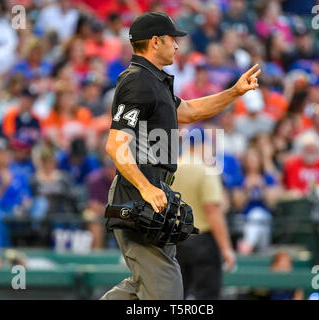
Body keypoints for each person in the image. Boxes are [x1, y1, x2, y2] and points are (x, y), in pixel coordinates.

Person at [101, 12, 260, 300]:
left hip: (151, 191)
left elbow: (191, 111)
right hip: (138, 193)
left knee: (142, 291)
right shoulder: (137, 81)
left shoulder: (152, 79)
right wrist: (146, 188)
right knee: (166, 294)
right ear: (154, 41)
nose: (177, 45)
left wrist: (234, 92)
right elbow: (115, 145)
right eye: (172, 39)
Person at [173, 127, 235, 300]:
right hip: (201, 242)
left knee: (176, 295)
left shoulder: (171, 167)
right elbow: (212, 210)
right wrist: (226, 249)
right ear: (203, 144)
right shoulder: (206, 170)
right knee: (205, 298)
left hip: (174, 241)